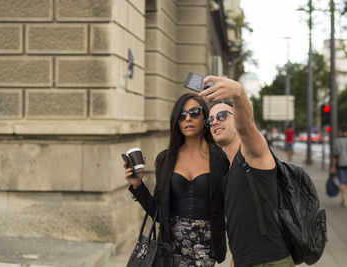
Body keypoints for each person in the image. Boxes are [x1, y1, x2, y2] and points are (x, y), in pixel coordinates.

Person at [123, 93, 229, 266]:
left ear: (205, 117)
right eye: (182, 115)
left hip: (206, 248)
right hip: (170, 249)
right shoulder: (165, 159)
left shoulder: (220, 158)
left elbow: (231, 207)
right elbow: (158, 212)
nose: (188, 118)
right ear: (176, 121)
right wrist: (137, 186)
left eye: (194, 112)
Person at [199, 76, 293, 267]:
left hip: (270, 261)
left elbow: (247, 127)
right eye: (211, 119)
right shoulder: (228, 166)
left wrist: (239, 94)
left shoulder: (252, 153)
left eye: (223, 116)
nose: (215, 122)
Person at [330, 124, 347, 207]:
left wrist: (333, 167)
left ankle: (344, 200)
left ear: (341, 131)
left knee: (341, 182)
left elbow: (335, 156)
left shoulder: (337, 141)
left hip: (340, 164)